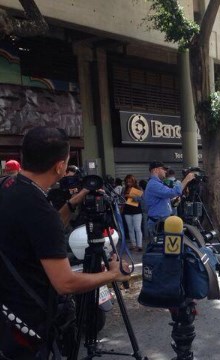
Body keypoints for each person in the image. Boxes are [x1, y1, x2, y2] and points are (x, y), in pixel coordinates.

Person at [0, 127, 130, 359]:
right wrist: (113, 274)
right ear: (60, 166)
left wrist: (73, 203)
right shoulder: (39, 210)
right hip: (28, 326)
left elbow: (37, 231)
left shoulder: (9, 187)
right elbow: (65, 283)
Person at [144, 161, 195, 241]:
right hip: (159, 224)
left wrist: (172, 202)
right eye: (163, 169)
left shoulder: (158, 183)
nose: (165, 171)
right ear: (155, 170)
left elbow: (161, 201)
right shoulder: (154, 184)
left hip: (163, 221)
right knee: (164, 249)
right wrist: (187, 179)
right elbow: (174, 192)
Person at [122, 174, 144, 251]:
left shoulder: (138, 188)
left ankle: (139, 245)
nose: (129, 183)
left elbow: (141, 200)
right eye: (127, 182)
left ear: (134, 182)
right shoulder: (124, 189)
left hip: (137, 211)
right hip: (127, 211)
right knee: (130, 229)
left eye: (130, 182)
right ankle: (133, 244)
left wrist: (131, 196)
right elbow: (122, 199)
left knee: (137, 228)